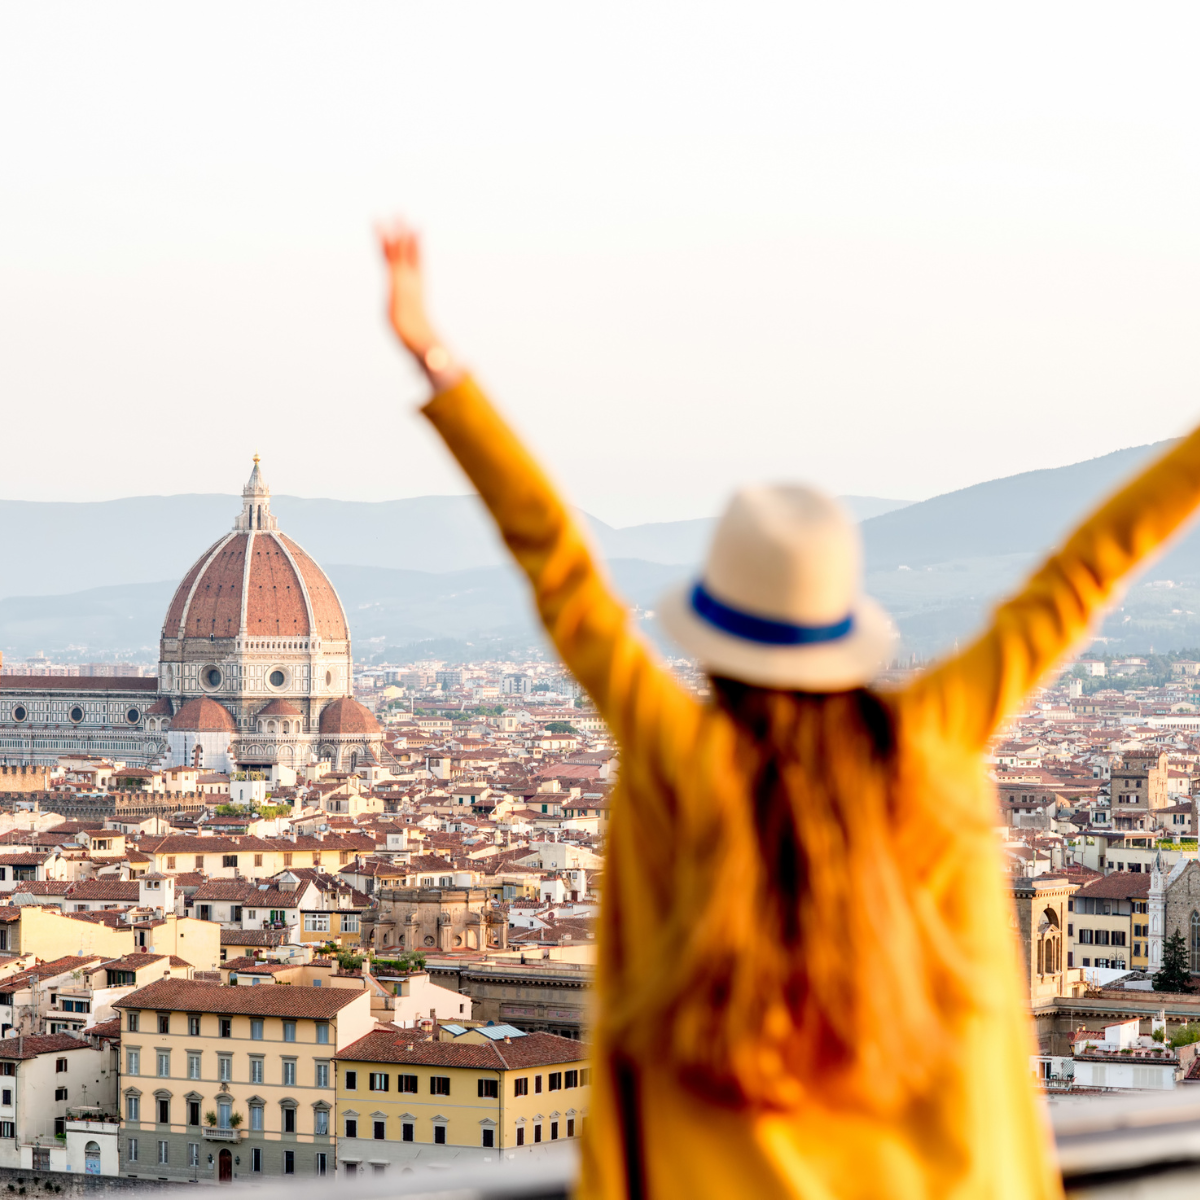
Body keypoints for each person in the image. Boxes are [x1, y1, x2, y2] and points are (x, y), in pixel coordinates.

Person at [377, 221, 1200, 1199]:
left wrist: (438, 362)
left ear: (718, 645)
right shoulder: (926, 741)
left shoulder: (683, 753)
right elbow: (1082, 574)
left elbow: (560, 570)